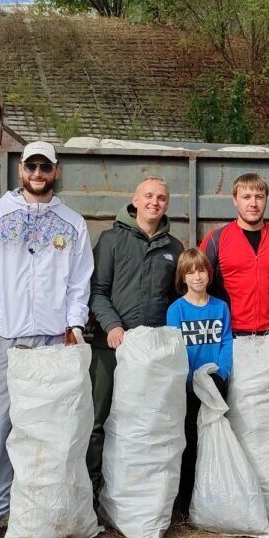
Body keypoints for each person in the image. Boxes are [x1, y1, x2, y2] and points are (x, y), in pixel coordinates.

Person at [0, 141, 94, 538]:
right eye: (31, 166)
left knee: (52, 427)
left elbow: (79, 282)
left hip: (53, 339)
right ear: (21, 169)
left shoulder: (71, 223)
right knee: (0, 424)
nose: (38, 173)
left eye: (45, 167)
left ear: (56, 171)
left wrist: (73, 325)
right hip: (6, 337)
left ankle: (39, 509)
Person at [88, 176, 183, 494]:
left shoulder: (174, 247)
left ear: (167, 204)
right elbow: (97, 292)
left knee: (146, 421)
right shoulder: (112, 239)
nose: (155, 202)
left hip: (150, 356)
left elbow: (174, 301)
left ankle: (135, 491)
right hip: (110, 347)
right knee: (99, 420)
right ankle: (92, 490)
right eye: (149, 196)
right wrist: (113, 326)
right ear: (135, 200)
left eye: (161, 198)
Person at [166, 249, 233, 515]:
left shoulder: (220, 307)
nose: (197, 276)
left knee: (214, 440)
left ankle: (214, 497)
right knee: (189, 443)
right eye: (190, 271)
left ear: (209, 273)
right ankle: (186, 502)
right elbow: (175, 349)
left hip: (214, 387)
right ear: (182, 277)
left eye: (201, 270)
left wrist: (221, 374)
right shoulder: (176, 310)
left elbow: (226, 341)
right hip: (189, 389)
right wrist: (187, 381)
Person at [200, 173, 269, 339]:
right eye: (246, 197)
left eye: (259, 197)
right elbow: (198, 290)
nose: (253, 203)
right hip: (229, 336)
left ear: (266, 199)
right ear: (235, 200)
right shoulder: (215, 240)